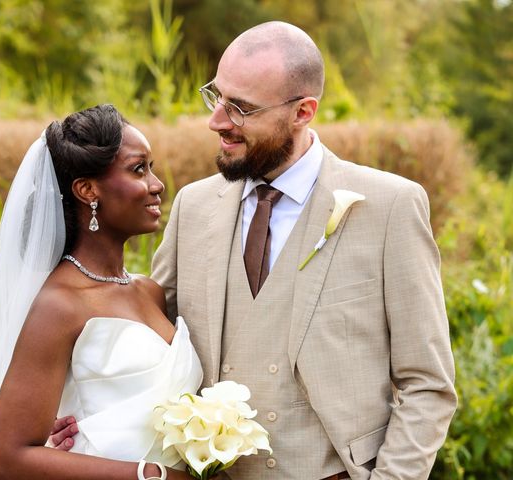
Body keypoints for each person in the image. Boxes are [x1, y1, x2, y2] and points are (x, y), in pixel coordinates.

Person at [149, 22, 457, 479]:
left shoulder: (391, 207)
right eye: (216, 96)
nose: (217, 120)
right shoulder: (193, 207)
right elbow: (153, 347)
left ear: (303, 112)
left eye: (241, 108)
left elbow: (427, 384)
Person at [0, 105, 202, 479]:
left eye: (152, 167)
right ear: (87, 190)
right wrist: (152, 475)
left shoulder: (150, 292)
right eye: (139, 169)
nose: (157, 184)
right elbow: (8, 457)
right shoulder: (59, 305)